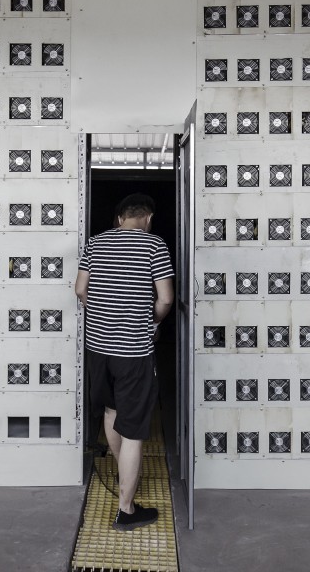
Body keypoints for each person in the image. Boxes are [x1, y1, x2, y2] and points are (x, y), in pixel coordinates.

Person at [74, 193, 174, 531]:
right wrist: (154, 322)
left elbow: (79, 289)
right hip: (133, 351)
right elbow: (165, 298)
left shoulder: (95, 243)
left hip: (98, 349)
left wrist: (104, 313)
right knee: (133, 431)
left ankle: (124, 471)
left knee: (112, 412)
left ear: (119, 218)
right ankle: (126, 509)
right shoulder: (153, 245)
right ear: (147, 218)